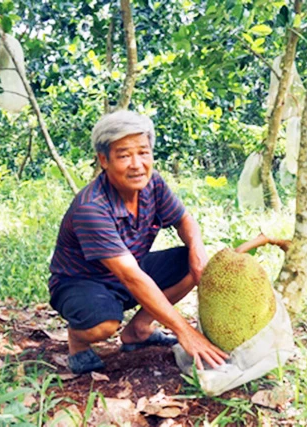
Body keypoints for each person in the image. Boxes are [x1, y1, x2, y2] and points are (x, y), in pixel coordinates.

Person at [48, 110, 228, 374]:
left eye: (143, 153)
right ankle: (77, 341)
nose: (136, 164)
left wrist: (198, 253)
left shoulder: (152, 183)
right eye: (123, 155)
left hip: (130, 269)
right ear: (103, 161)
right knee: (103, 325)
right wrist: (185, 332)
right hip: (83, 281)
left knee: (191, 262)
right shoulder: (92, 208)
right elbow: (131, 276)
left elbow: (184, 220)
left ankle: (139, 330)